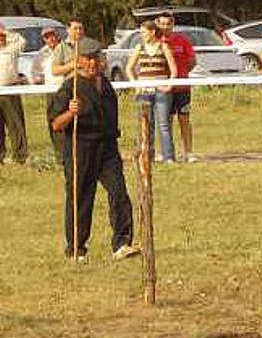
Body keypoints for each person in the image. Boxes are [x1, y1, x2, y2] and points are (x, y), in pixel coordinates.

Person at [48, 38, 139, 262]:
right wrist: (70, 112)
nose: (91, 63)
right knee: (81, 197)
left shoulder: (106, 85)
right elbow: (56, 124)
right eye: (87, 59)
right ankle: (76, 249)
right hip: (81, 147)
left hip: (107, 148)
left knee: (119, 193)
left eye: (95, 59)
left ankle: (122, 244)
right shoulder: (70, 87)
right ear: (78, 61)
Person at [126, 20, 178, 162]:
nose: (142, 35)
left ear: (152, 32)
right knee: (145, 124)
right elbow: (129, 68)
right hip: (144, 91)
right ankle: (147, 155)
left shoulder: (163, 46)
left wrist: (169, 86)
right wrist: (135, 85)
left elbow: (173, 69)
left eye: (144, 32)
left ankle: (168, 156)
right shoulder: (139, 47)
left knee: (163, 124)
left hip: (161, 90)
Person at [156, 12, 197, 163]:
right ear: (158, 24)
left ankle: (189, 152)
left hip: (182, 87)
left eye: (169, 24)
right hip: (165, 88)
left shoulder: (182, 40)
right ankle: (166, 152)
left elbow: (192, 61)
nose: (166, 27)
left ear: (172, 24)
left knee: (184, 119)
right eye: (163, 24)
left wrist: (183, 74)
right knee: (166, 121)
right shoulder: (157, 42)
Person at [32, 27, 65, 164]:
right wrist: (37, 80)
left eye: (52, 35)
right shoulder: (42, 54)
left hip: (64, 90)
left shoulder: (65, 49)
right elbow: (35, 72)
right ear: (44, 39)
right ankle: (59, 155)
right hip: (50, 92)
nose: (50, 39)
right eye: (47, 37)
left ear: (56, 36)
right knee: (53, 123)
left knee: (67, 121)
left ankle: (69, 153)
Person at [0, 23, 27, 165]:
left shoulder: (12, 49)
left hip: (10, 90)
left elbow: (22, 41)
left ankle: (20, 156)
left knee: (15, 124)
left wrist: (5, 31)